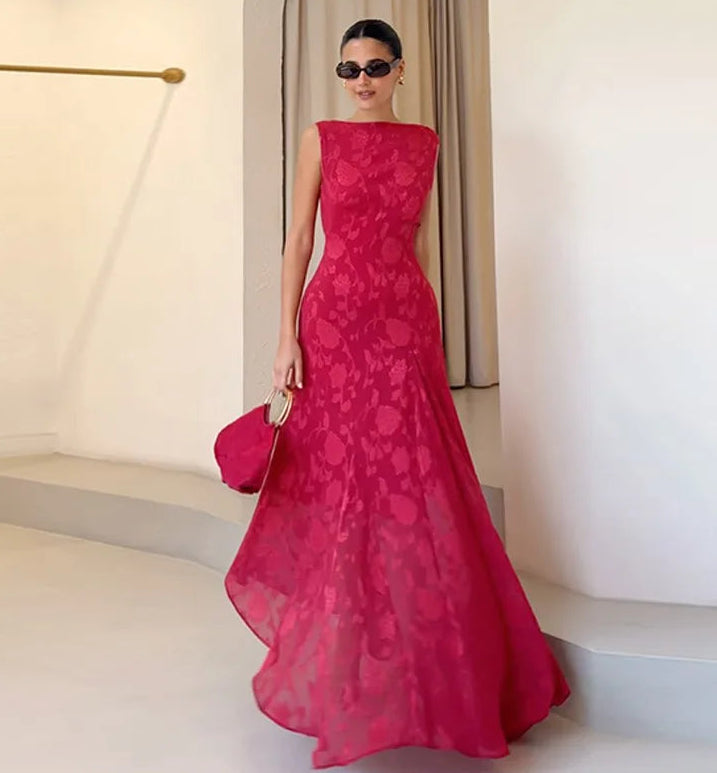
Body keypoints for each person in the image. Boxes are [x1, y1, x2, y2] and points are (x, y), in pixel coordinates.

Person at [225, 18, 570, 769]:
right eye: (349, 69)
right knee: (341, 485)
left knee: (418, 487)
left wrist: (422, 322)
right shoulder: (322, 138)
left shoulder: (424, 144)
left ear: (400, 70)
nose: (360, 81)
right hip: (334, 321)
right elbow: (298, 242)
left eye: (375, 67)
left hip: (403, 320)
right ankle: (345, 663)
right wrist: (285, 339)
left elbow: (408, 242)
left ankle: (430, 660)